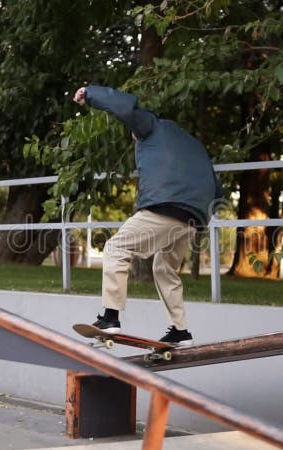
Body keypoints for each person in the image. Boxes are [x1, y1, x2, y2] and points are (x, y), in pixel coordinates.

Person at [73, 85, 222, 346]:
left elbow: (125, 109)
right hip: (193, 218)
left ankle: (110, 318)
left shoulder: (151, 126)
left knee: (116, 248)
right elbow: (216, 187)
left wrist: (90, 94)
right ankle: (180, 330)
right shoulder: (193, 145)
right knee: (164, 268)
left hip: (164, 207)